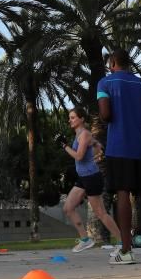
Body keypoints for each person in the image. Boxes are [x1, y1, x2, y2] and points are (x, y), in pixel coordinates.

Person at [98, 48, 141, 265]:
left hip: (118, 146)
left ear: (113, 62)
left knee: (122, 193)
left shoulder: (105, 83)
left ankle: (126, 250)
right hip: (140, 147)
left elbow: (105, 114)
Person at [57, 107, 122, 253]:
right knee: (68, 208)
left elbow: (79, 156)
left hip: (92, 177)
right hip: (83, 178)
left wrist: (64, 145)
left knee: (101, 213)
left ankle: (122, 241)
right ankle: (85, 240)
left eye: (73, 117)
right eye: (70, 117)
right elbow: (98, 145)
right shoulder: (81, 134)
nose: (70, 120)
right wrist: (97, 148)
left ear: (81, 119)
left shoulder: (84, 134)